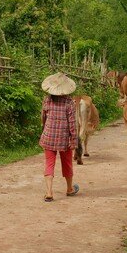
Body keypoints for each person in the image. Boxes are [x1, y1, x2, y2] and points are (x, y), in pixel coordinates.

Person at [39, 72, 80, 202]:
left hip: (48, 137)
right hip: (64, 139)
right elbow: (72, 124)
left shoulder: (47, 100)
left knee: (49, 163)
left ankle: (49, 192)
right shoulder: (69, 102)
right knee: (67, 163)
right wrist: (74, 139)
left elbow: (43, 118)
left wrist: (45, 130)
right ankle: (69, 189)